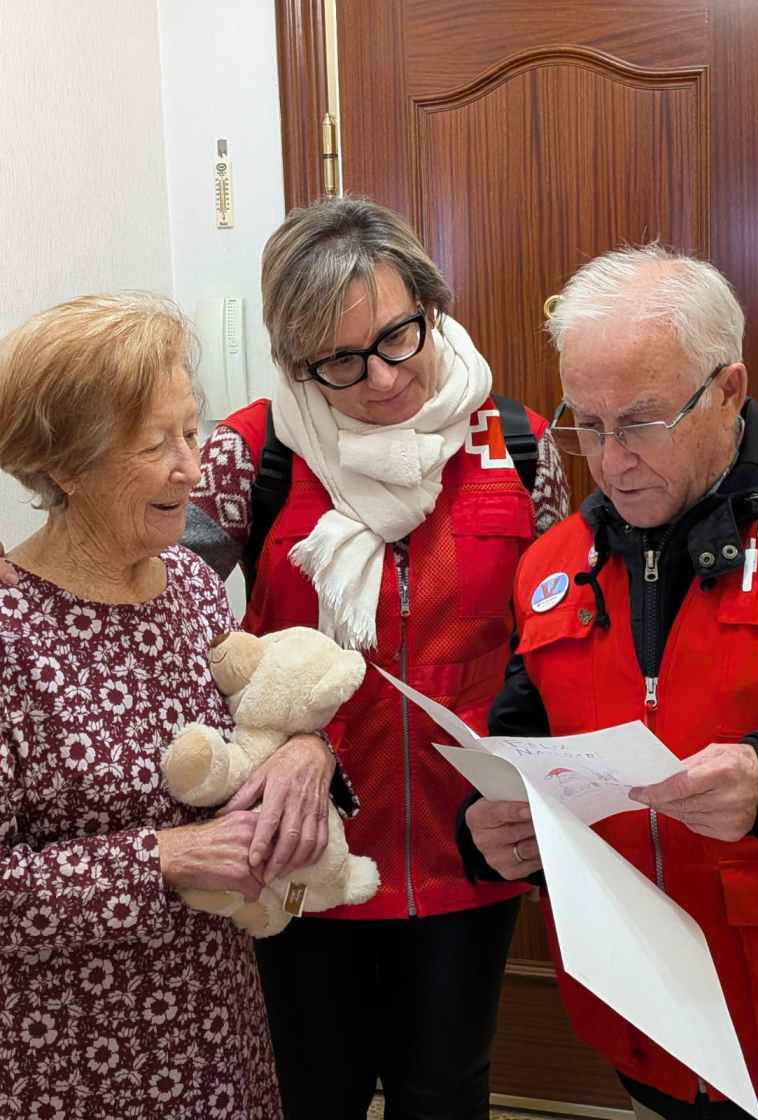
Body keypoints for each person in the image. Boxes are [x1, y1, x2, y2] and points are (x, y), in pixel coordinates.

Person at [182, 196, 570, 1120]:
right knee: (315, 1094)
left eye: (400, 336)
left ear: (431, 303)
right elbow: (172, 635)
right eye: (341, 362)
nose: (385, 379)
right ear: (292, 361)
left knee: (448, 1090)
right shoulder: (251, 453)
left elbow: (556, 641)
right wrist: (273, 744)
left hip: (469, 844)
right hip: (305, 848)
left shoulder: (517, 444)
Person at [463, 244, 758, 1120]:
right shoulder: (554, 565)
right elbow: (522, 737)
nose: (610, 459)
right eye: (584, 425)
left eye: (638, 422)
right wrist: (489, 821)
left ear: (729, 389)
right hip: (648, 1038)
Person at [0, 294, 291, 1118]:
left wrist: (304, 752)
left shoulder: (195, 587)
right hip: (73, 1063)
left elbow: (252, 732)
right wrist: (164, 857)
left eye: (191, 432)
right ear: (64, 463)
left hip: (220, 1031)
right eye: (153, 444)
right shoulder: (10, 630)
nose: (190, 467)